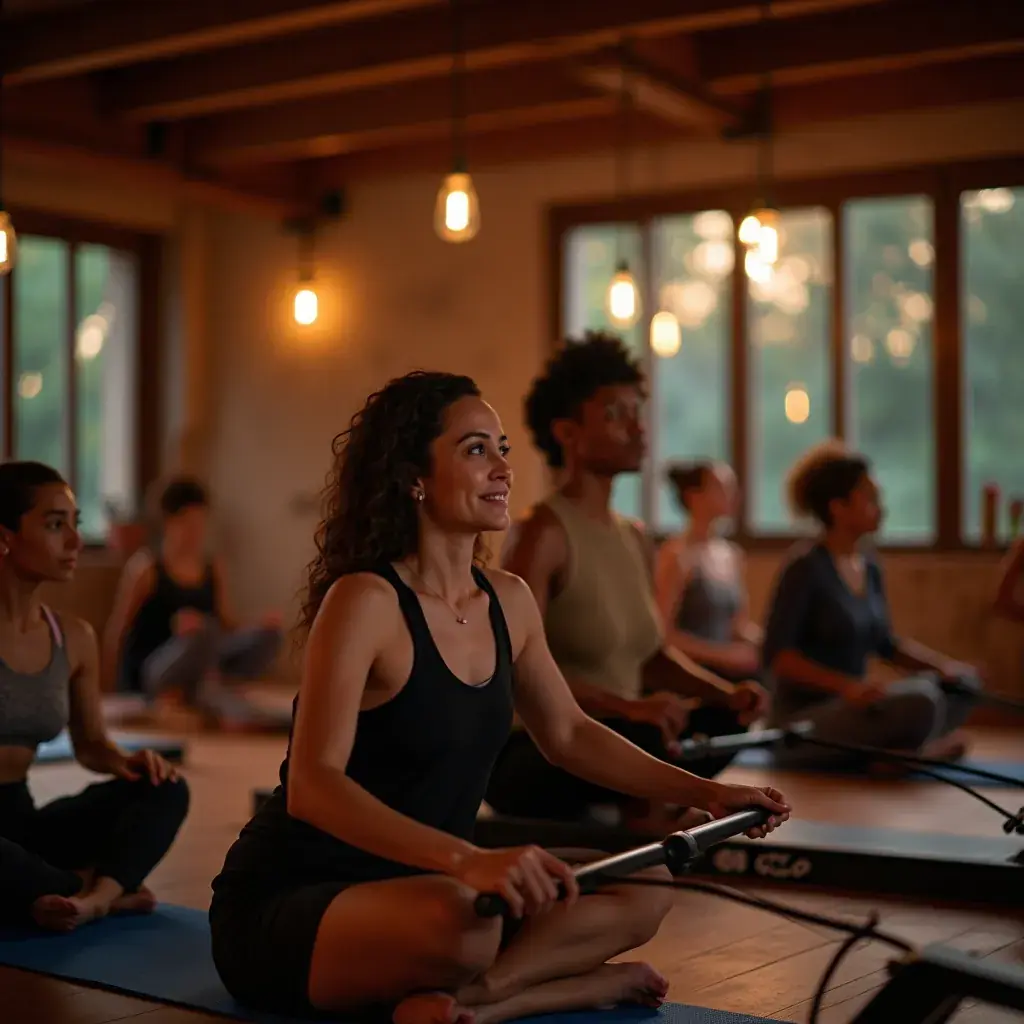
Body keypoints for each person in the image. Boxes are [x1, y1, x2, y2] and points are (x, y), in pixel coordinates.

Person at [208, 371, 790, 1024]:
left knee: (645, 882)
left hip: (437, 884)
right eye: (476, 449)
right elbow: (313, 787)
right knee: (467, 924)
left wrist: (707, 794)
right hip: (301, 896)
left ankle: (482, 999)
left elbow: (568, 734)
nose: (503, 469)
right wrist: (470, 860)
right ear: (414, 476)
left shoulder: (508, 599)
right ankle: (559, 985)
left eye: (503, 449)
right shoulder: (365, 601)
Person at [485, 335, 770, 829]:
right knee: (648, 733)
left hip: (627, 734)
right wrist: (627, 707)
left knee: (725, 720)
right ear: (567, 432)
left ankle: (644, 802)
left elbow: (652, 656)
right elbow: (513, 669)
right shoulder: (542, 534)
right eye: (616, 414)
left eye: (638, 412)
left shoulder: (635, 536)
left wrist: (726, 694)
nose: (638, 428)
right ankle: (648, 812)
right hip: (538, 750)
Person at [0, 461, 189, 932]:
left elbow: (91, 745)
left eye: (75, 523)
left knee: (166, 788)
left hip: (22, 823)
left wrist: (129, 762)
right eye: (54, 525)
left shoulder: (74, 637)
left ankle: (88, 898)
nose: (75, 541)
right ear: (5, 536)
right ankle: (95, 888)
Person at [762, 441, 983, 768]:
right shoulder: (805, 567)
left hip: (857, 708)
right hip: (805, 720)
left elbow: (886, 644)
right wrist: (848, 687)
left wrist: (944, 668)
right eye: (870, 498)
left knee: (962, 686)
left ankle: (896, 755)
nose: (881, 508)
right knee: (921, 701)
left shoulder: (869, 565)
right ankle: (909, 754)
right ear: (838, 507)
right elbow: (778, 658)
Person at [104, 476, 282, 710]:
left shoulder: (213, 568)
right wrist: (113, 688)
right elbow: (119, 630)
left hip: (205, 659)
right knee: (203, 634)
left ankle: (212, 687)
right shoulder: (146, 568)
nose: (195, 533)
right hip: (158, 666)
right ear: (168, 522)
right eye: (187, 524)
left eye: (200, 524)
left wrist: (259, 623)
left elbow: (227, 622)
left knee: (268, 635)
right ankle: (185, 693)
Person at [654, 461, 761, 682]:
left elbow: (738, 627)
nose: (732, 495)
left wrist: (769, 643)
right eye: (721, 488)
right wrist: (722, 656)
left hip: (731, 672)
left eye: (732, 487)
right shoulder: (676, 556)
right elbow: (662, 634)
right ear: (693, 496)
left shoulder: (731, 554)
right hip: (692, 675)